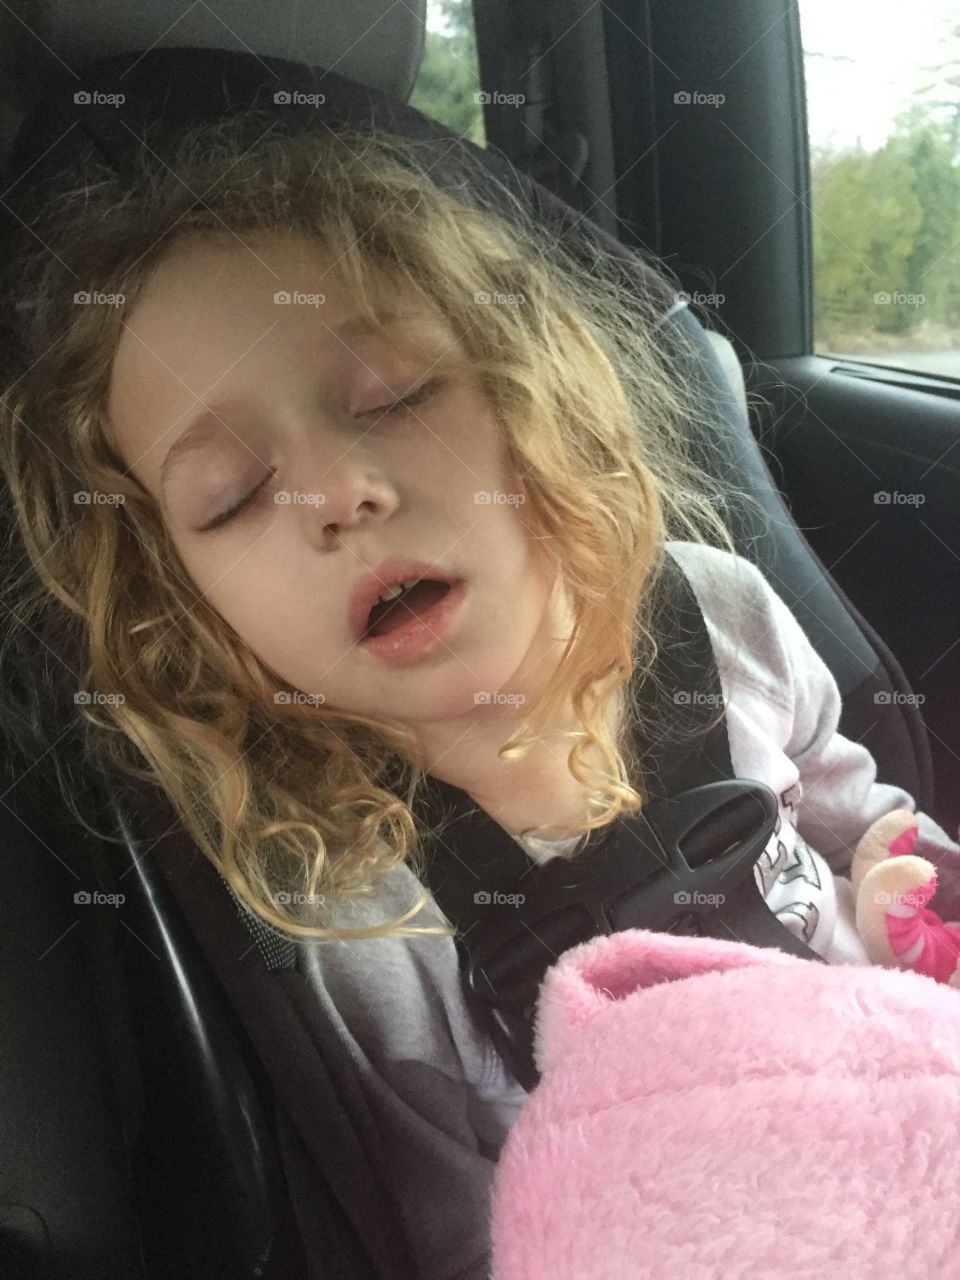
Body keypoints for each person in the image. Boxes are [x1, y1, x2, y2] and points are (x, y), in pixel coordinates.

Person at [0, 116, 956, 1280]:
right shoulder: (342, 897)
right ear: (199, 614)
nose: (337, 490)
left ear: (532, 389)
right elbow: (464, 1232)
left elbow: (865, 820)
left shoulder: (718, 610)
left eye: (394, 395)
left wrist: (907, 899)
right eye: (235, 494)